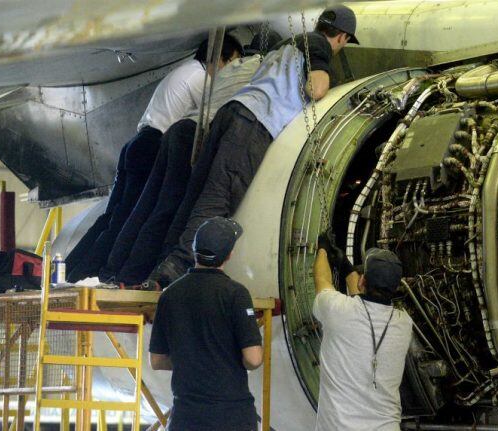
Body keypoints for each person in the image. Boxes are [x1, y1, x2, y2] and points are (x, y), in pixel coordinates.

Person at [145, 5, 360, 289]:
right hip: (254, 125)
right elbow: (317, 89)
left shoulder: (287, 46)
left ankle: (158, 271)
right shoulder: (317, 45)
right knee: (217, 201)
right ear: (343, 37)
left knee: (194, 199)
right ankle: (170, 276)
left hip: (232, 112)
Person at [98, 30, 283, 286]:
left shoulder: (232, 69)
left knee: (147, 207)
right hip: (191, 136)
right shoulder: (264, 70)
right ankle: (142, 274)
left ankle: (116, 271)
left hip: (174, 131)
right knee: (172, 211)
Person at [66, 36, 243, 282]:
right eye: (232, 62)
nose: (230, 70)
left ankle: (72, 269)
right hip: (154, 144)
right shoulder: (201, 78)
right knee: (142, 214)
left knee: (114, 216)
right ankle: (111, 272)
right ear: (217, 57)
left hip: (136, 142)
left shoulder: (181, 72)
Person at [149, 217, 263, 431]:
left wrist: (193, 362)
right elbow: (254, 358)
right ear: (229, 254)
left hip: (186, 417)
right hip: (231, 417)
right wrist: (223, 362)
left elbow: (157, 360)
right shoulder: (235, 294)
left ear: (194, 251)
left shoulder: (170, 296)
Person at [313, 233, 413, 431]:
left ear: (363, 281)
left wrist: (323, 249)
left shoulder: (337, 311)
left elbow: (322, 280)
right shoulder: (404, 324)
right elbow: (365, 307)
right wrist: (346, 267)